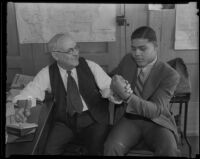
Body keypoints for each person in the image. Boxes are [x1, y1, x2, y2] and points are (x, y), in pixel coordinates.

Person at [12, 33, 128, 155]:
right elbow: (29, 93)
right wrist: (21, 106)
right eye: (70, 50)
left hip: (94, 119)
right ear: (55, 55)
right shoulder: (47, 73)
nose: (76, 53)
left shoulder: (90, 66)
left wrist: (114, 93)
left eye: (76, 48)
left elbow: (108, 87)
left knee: (98, 151)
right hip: (65, 122)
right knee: (49, 151)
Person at [104, 26, 181, 156]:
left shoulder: (170, 75)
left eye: (143, 48)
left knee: (170, 151)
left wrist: (127, 96)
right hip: (129, 118)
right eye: (133, 49)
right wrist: (112, 88)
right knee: (111, 147)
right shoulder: (128, 60)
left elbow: (155, 110)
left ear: (156, 47)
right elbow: (111, 78)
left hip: (157, 121)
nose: (137, 54)